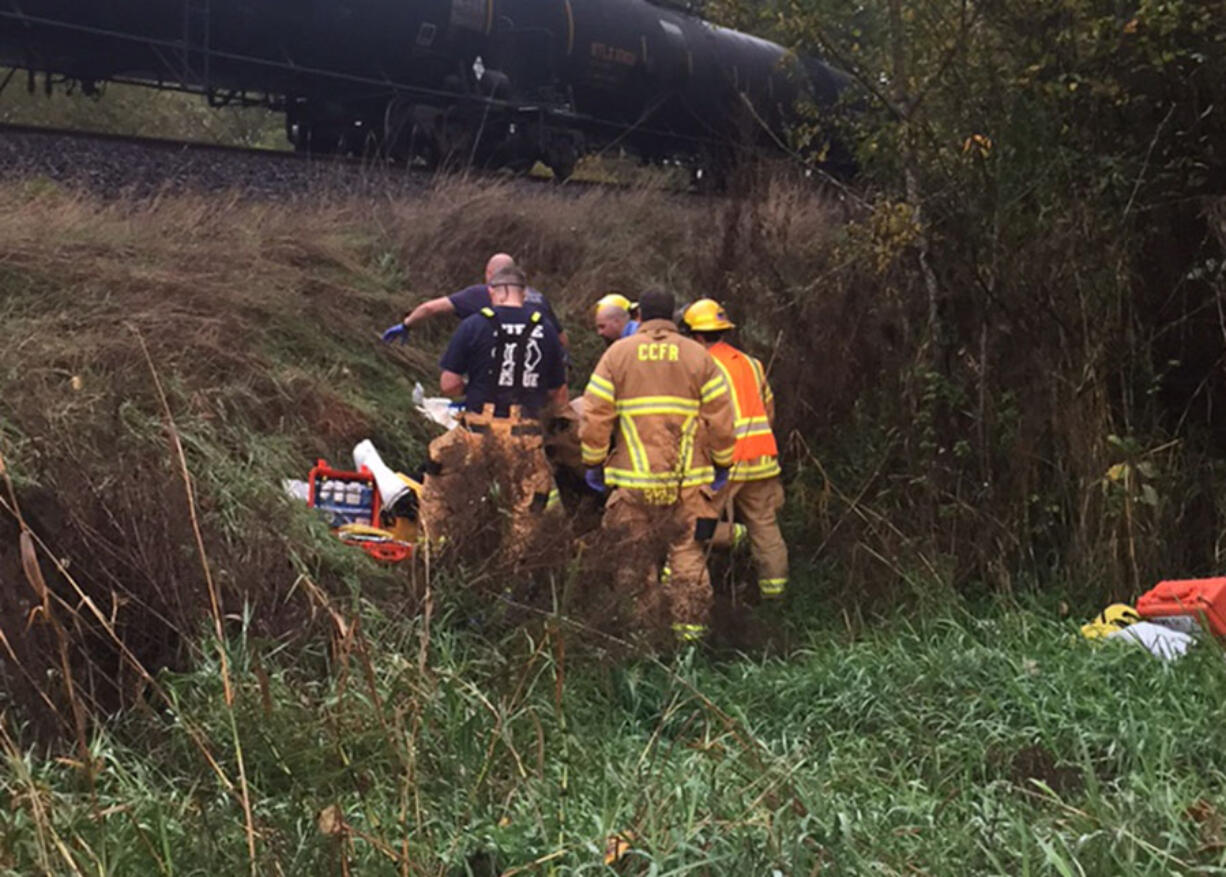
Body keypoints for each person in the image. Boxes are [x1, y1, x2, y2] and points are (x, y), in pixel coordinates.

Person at [579, 288, 736, 643]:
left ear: (640, 317)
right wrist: (722, 463)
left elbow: (595, 414)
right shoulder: (698, 356)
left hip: (632, 483)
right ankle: (689, 643)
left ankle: (641, 642)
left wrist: (593, 461)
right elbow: (722, 417)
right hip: (688, 482)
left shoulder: (617, 355)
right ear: (674, 318)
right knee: (688, 558)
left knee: (634, 562)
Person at [418, 265, 568, 552]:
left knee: (439, 486)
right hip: (524, 436)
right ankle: (513, 572)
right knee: (528, 507)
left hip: (477, 432)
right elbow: (556, 391)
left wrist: (473, 389)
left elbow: (448, 385)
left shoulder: (474, 324)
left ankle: (434, 554)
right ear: (523, 294)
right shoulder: (545, 328)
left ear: (492, 292)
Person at [681, 298, 788, 600]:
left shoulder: (702, 367)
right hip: (763, 459)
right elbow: (769, 412)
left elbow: (703, 420)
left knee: (694, 528)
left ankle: (688, 597)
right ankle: (775, 596)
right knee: (766, 529)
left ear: (696, 336)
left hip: (726, 463)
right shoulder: (752, 364)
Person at [382, 253, 568, 347]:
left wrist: (406, 325)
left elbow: (430, 308)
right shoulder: (539, 298)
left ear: (489, 274)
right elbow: (561, 339)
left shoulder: (481, 294)